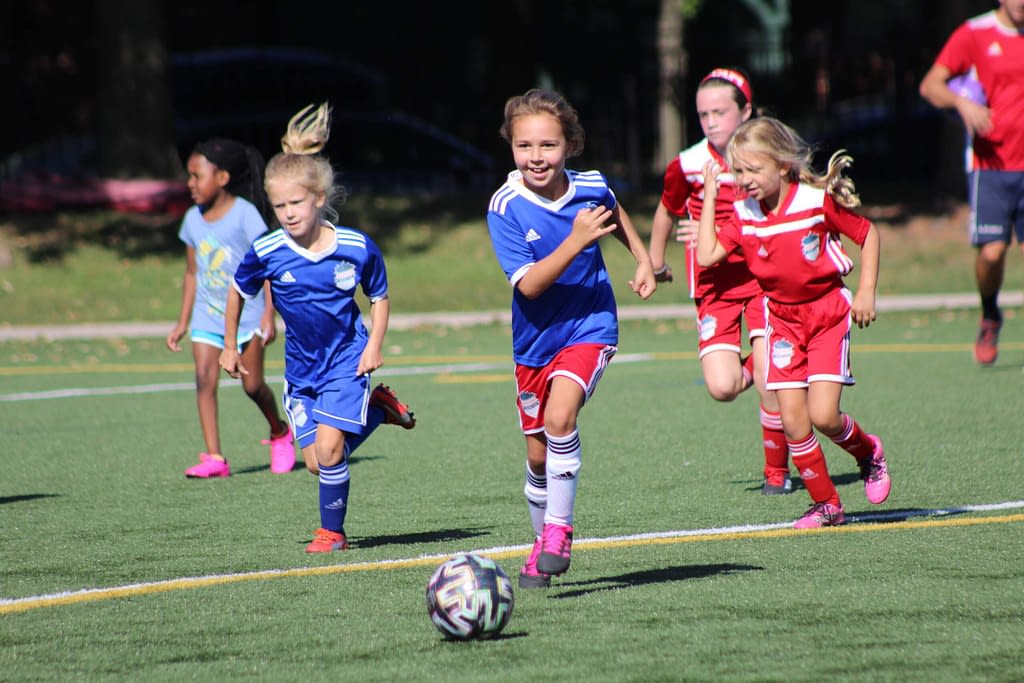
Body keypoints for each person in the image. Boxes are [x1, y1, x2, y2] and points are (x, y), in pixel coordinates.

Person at [219, 103, 416, 553]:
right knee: (314, 462)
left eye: (296, 203)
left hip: (348, 357)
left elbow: (380, 296)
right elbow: (237, 290)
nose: (287, 213)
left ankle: (333, 532)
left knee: (329, 452)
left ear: (319, 199)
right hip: (302, 369)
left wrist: (375, 346)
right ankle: (379, 411)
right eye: (279, 205)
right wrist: (230, 346)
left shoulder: (355, 246)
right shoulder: (268, 250)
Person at [486, 88, 657, 587]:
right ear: (511, 147)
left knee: (562, 417)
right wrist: (576, 240)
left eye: (548, 145)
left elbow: (615, 211)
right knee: (537, 457)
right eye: (525, 147)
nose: (536, 157)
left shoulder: (591, 185)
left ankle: (560, 530)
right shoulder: (505, 207)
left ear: (570, 145)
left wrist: (642, 259)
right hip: (534, 342)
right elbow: (532, 286)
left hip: (590, 325)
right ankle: (541, 541)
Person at [695, 117, 891, 529]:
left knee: (824, 416)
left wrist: (868, 291)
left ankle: (868, 451)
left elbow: (867, 233)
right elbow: (708, 254)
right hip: (781, 320)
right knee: (793, 420)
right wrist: (712, 195)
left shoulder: (813, 202)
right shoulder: (744, 212)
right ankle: (827, 505)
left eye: (753, 170)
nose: (744, 180)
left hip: (826, 315)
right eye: (739, 171)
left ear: (783, 165)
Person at [648, 67, 792, 496]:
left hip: (765, 280)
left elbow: (784, 211)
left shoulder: (767, 159)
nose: (710, 121)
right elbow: (666, 211)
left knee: (769, 376)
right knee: (723, 386)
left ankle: (776, 474)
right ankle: (769, 363)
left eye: (720, 112)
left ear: (746, 111)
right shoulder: (688, 165)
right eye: (703, 114)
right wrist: (655, 262)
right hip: (713, 287)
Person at [166, 137, 295, 478]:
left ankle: (280, 431)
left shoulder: (245, 215)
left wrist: (270, 312)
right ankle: (214, 457)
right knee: (204, 379)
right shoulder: (192, 220)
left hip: (248, 316)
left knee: (252, 386)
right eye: (189, 176)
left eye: (197, 176)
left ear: (222, 178)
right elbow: (192, 272)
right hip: (207, 317)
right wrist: (182, 322)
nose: (190, 184)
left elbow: (266, 265)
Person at [919, 0, 1024, 365]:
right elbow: (931, 86)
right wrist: (962, 103)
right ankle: (990, 312)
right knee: (992, 252)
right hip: (991, 164)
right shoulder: (974, 33)